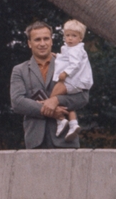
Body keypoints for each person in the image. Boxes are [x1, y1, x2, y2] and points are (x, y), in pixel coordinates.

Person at [10, 20, 89, 149]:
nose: (42, 43)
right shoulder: (19, 70)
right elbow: (17, 102)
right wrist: (49, 110)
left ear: (51, 41)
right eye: (37, 39)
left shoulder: (70, 65)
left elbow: (83, 97)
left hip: (66, 142)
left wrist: (56, 100)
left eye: (46, 39)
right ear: (29, 43)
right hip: (35, 142)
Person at [49, 19, 94, 140]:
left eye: (74, 36)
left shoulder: (76, 49)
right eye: (67, 35)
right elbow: (67, 58)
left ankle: (60, 120)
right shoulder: (69, 48)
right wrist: (57, 56)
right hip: (76, 81)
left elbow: (75, 64)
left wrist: (65, 73)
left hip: (74, 81)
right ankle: (73, 123)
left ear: (80, 38)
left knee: (52, 99)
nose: (70, 38)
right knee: (66, 101)